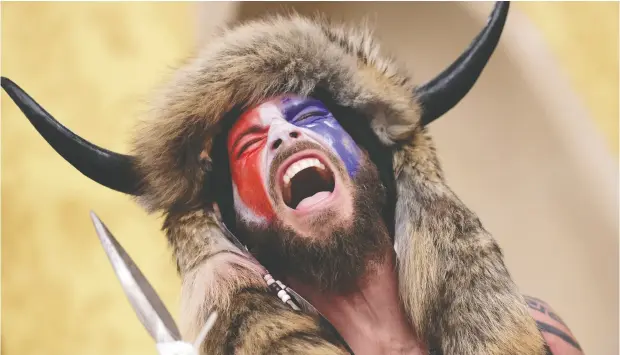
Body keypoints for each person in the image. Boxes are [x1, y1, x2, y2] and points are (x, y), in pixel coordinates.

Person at [2, 1, 584, 354]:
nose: (284, 136)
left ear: (372, 163)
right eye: (252, 144)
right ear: (240, 230)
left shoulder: (539, 339)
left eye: (307, 119)